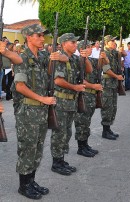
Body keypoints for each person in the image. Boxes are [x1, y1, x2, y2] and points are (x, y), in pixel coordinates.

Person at [12, 24, 66, 200]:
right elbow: (20, 86)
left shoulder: (42, 55)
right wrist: (42, 99)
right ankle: (23, 185)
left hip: (41, 110)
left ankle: (31, 181)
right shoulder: (22, 58)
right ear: (29, 38)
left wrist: (54, 59)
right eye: (39, 36)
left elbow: (50, 72)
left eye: (43, 36)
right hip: (28, 111)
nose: (43, 39)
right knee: (27, 148)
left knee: (37, 148)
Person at [51, 33, 92, 176]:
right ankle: (56, 162)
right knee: (59, 133)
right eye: (72, 42)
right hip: (61, 101)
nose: (76, 45)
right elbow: (57, 80)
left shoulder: (74, 58)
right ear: (63, 44)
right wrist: (75, 87)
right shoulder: (59, 57)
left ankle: (61, 160)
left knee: (67, 132)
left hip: (71, 101)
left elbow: (89, 70)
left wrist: (85, 58)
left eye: (76, 42)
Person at [74, 40, 103, 157]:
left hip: (91, 95)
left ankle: (85, 144)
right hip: (84, 95)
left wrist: (103, 57)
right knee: (82, 122)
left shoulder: (90, 60)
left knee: (87, 122)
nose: (91, 48)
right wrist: (93, 86)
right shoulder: (78, 61)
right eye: (89, 47)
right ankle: (81, 147)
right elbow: (80, 80)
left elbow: (101, 65)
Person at [101, 35, 125, 140]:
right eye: (112, 41)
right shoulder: (104, 54)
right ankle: (105, 131)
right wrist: (117, 76)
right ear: (106, 43)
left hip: (113, 83)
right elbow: (106, 69)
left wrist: (121, 51)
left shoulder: (113, 52)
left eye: (114, 40)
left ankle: (108, 128)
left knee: (113, 106)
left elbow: (124, 54)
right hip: (107, 83)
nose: (114, 42)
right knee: (107, 106)